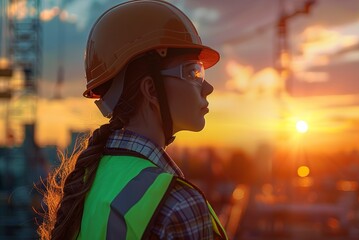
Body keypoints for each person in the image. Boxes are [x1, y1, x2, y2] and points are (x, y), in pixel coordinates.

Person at [38, 1, 228, 239]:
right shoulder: (178, 204)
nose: (207, 87)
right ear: (151, 90)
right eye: (193, 72)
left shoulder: (92, 180)